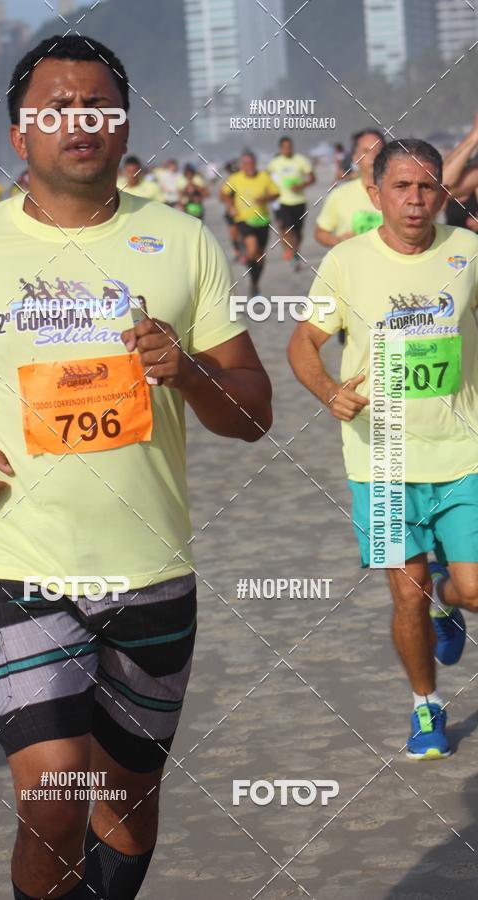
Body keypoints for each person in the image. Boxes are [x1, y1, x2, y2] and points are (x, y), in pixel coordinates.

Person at [0, 34, 272, 900]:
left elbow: (253, 412)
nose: (78, 121)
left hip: (152, 568)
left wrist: (191, 369)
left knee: (127, 801)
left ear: (124, 124)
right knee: (54, 795)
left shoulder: (181, 241)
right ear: (20, 134)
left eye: (97, 104)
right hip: (17, 562)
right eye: (55, 107)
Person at [288, 138, 478, 761]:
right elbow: (302, 345)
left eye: (427, 186)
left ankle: (452, 604)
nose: (416, 200)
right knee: (406, 594)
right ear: (375, 195)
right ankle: (426, 706)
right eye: (402, 187)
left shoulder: (469, 251)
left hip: (463, 453)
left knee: (470, 588)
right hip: (384, 457)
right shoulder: (346, 263)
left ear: (441, 191)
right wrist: (328, 394)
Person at [315, 129, 386, 248]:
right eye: (366, 151)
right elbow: (320, 232)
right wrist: (338, 241)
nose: (373, 156)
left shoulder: (402, 193)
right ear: (355, 157)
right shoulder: (339, 195)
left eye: (378, 151)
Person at [220, 151, 279, 294]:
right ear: (242, 165)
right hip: (244, 220)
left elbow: (276, 193)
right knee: (252, 250)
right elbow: (224, 194)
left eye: (252, 162)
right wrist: (231, 206)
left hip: (262, 220)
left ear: (255, 163)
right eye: (246, 163)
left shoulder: (264, 177)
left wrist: (265, 198)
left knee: (260, 256)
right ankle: (245, 255)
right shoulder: (235, 179)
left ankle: (254, 283)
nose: (249, 166)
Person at [267, 136, 315, 270]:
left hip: (299, 201)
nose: (287, 150)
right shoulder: (275, 162)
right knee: (288, 229)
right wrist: (270, 193)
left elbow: (312, 178)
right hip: (282, 201)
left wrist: (301, 185)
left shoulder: (301, 160)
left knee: (298, 232)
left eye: (290, 147)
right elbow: (266, 178)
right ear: (280, 148)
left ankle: (295, 251)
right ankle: (293, 254)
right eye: (285, 147)